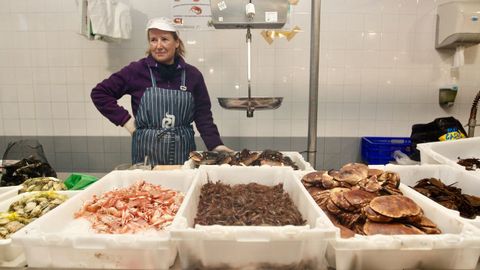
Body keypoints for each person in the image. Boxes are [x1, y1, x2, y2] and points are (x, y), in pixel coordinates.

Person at [91, 17, 233, 166]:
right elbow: (99, 93)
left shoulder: (193, 75)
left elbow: (203, 115)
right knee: (149, 189)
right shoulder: (136, 71)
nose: (158, 46)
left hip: (183, 155)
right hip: (146, 156)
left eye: (164, 39)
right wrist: (127, 122)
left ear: (177, 42)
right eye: (153, 40)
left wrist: (215, 145)